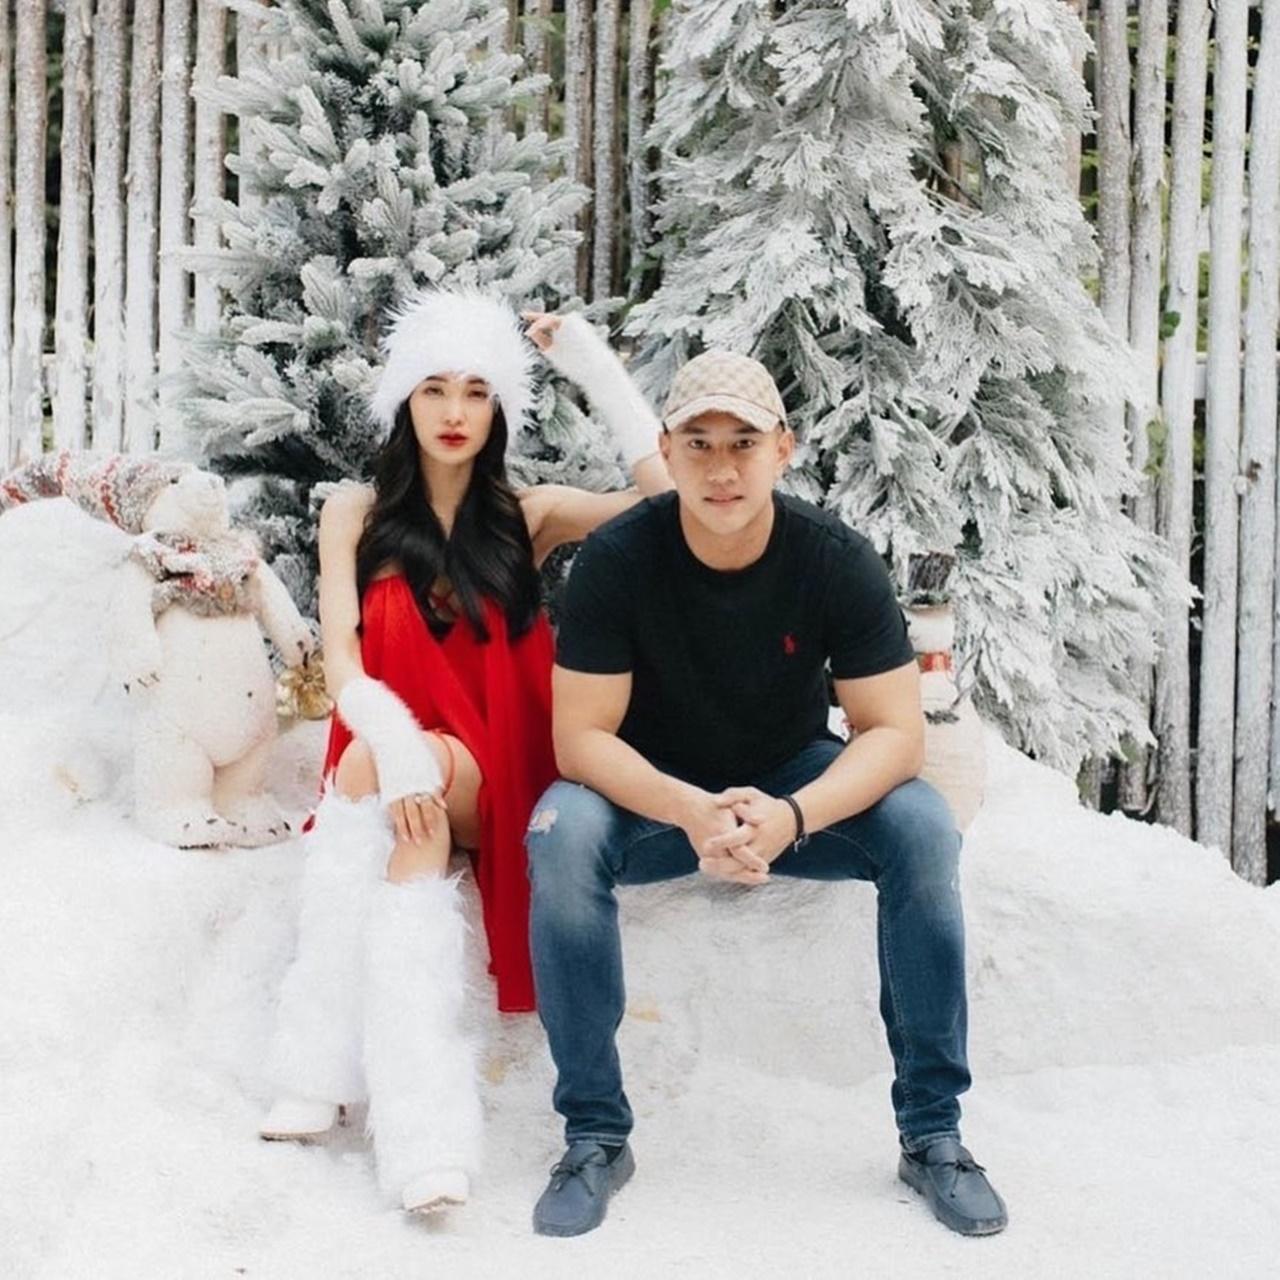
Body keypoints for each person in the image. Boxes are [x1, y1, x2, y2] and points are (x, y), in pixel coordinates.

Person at [525, 349, 1008, 1239]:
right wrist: (687, 808)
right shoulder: (616, 561)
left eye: (743, 442)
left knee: (922, 827)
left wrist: (793, 817)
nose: (721, 467)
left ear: (783, 449)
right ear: (666, 452)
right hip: (654, 794)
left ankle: (932, 1134)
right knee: (561, 834)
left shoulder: (833, 559)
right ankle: (594, 1135)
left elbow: (894, 733)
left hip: (792, 782)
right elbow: (581, 739)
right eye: (699, 443)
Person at [258, 288, 672, 1216]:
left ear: (500, 410)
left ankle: (323, 1074)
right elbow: (341, 662)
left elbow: (673, 502)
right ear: (404, 401)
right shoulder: (354, 513)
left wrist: (597, 371)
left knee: (387, 777)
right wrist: (397, 742)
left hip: (502, 772)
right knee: (383, 788)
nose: (454, 411)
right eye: (435, 389)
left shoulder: (532, 514)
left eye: (478, 391)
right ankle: (420, 1138)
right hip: (388, 758)